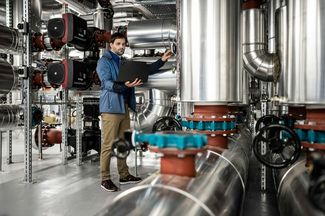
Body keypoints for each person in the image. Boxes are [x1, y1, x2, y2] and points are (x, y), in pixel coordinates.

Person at [96, 33, 174, 192]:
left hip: (123, 107)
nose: (121, 46)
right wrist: (126, 85)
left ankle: (124, 175)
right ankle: (105, 179)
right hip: (111, 108)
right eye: (118, 44)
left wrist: (162, 60)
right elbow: (107, 84)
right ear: (111, 45)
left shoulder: (124, 62)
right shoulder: (104, 62)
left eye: (123, 44)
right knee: (108, 144)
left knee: (122, 142)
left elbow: (145, 70)